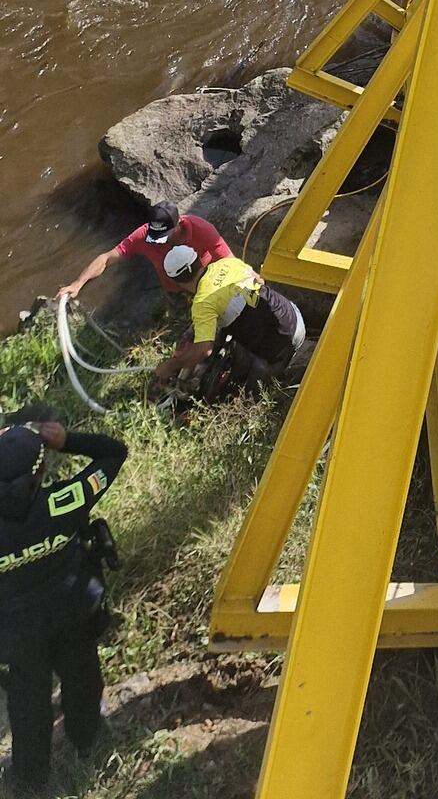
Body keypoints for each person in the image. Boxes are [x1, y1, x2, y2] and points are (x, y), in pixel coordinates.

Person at [0, 417, 126, 792]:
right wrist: (67, 439)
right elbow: (115, 452)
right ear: (40, 473)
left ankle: (30, 774)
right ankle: (86, 738)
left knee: (27, 700)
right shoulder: (63, 502)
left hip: (15, 634)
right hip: (73, 614)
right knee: (83, 675)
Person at [152, 246, 305, 392]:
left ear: (176, 281)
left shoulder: (202, 304)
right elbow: (260, 281)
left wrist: (170, 366)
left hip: (282, 346)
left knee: (250, 390)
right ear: (199, 259)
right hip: (294, 316)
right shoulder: (227, 263)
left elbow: (203, 350)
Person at [61, 200, 230, 303]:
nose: (157, 241)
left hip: (206, 282)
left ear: (178, 224)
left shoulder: (202, 230)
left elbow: (230, 262)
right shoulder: (144, 235)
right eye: (155, 235)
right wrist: (78, 283)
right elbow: (107, 258)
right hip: (174, 290)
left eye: (163, 236)